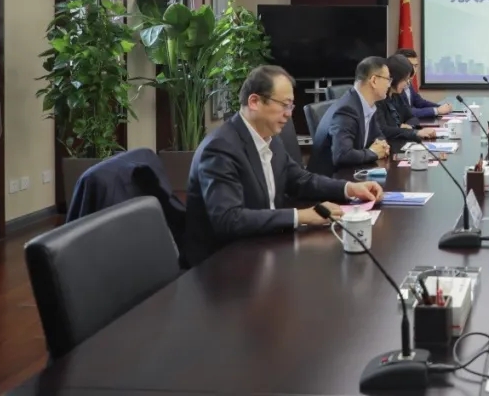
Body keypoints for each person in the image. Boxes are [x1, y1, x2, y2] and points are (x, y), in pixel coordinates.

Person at [184, 65, 384, 266]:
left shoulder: (270, 138)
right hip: (223, 264)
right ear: (254, 102)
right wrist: (301, 216)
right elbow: (229, 219)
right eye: (284, 105)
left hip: (265, 246)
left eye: (291, 106)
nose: (289, 114)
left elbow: (300, 179)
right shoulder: (220, 148)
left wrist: (349, 189)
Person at [308, 56, 392, 176]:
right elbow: (342, 155)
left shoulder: (367, 105)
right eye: (388, 79)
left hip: (353, 173)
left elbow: (378, 136)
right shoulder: (347, 110)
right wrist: (373, 153)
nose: (389, 85)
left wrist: (382, 146)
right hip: (331, 180)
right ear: (374, 81)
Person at [377, 54, 438, 146]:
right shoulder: (379, 98)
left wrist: (409, 126)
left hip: (399, 143)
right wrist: (413, 132)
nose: (407, 84)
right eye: (405, 80)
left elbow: (411, 117)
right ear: (394, 78)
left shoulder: (398, 95)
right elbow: (384, 130)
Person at [396, 48, 452, 119]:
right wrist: (437, 110)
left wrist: (442, 107)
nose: (414, 70)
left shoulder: (408, 83)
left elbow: (420, 103)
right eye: (410, 65)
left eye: (415, 66)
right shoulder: (395, 85)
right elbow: (406, 112)